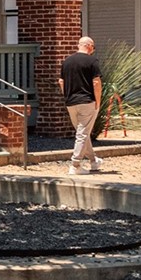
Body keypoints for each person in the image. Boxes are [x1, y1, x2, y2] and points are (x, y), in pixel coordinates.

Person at [60, 35, 103, 175]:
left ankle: (93, 161)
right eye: (93, 47)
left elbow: (61, 82)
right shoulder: (92, 61)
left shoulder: (67, 61)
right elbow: (96, 82)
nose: (93, 50)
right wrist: (98, 101)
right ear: (89, 46)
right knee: (83, 133)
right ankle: (75, 164)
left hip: (71, 102)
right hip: (87, 101)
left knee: (82, 133)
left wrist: (66, 96)